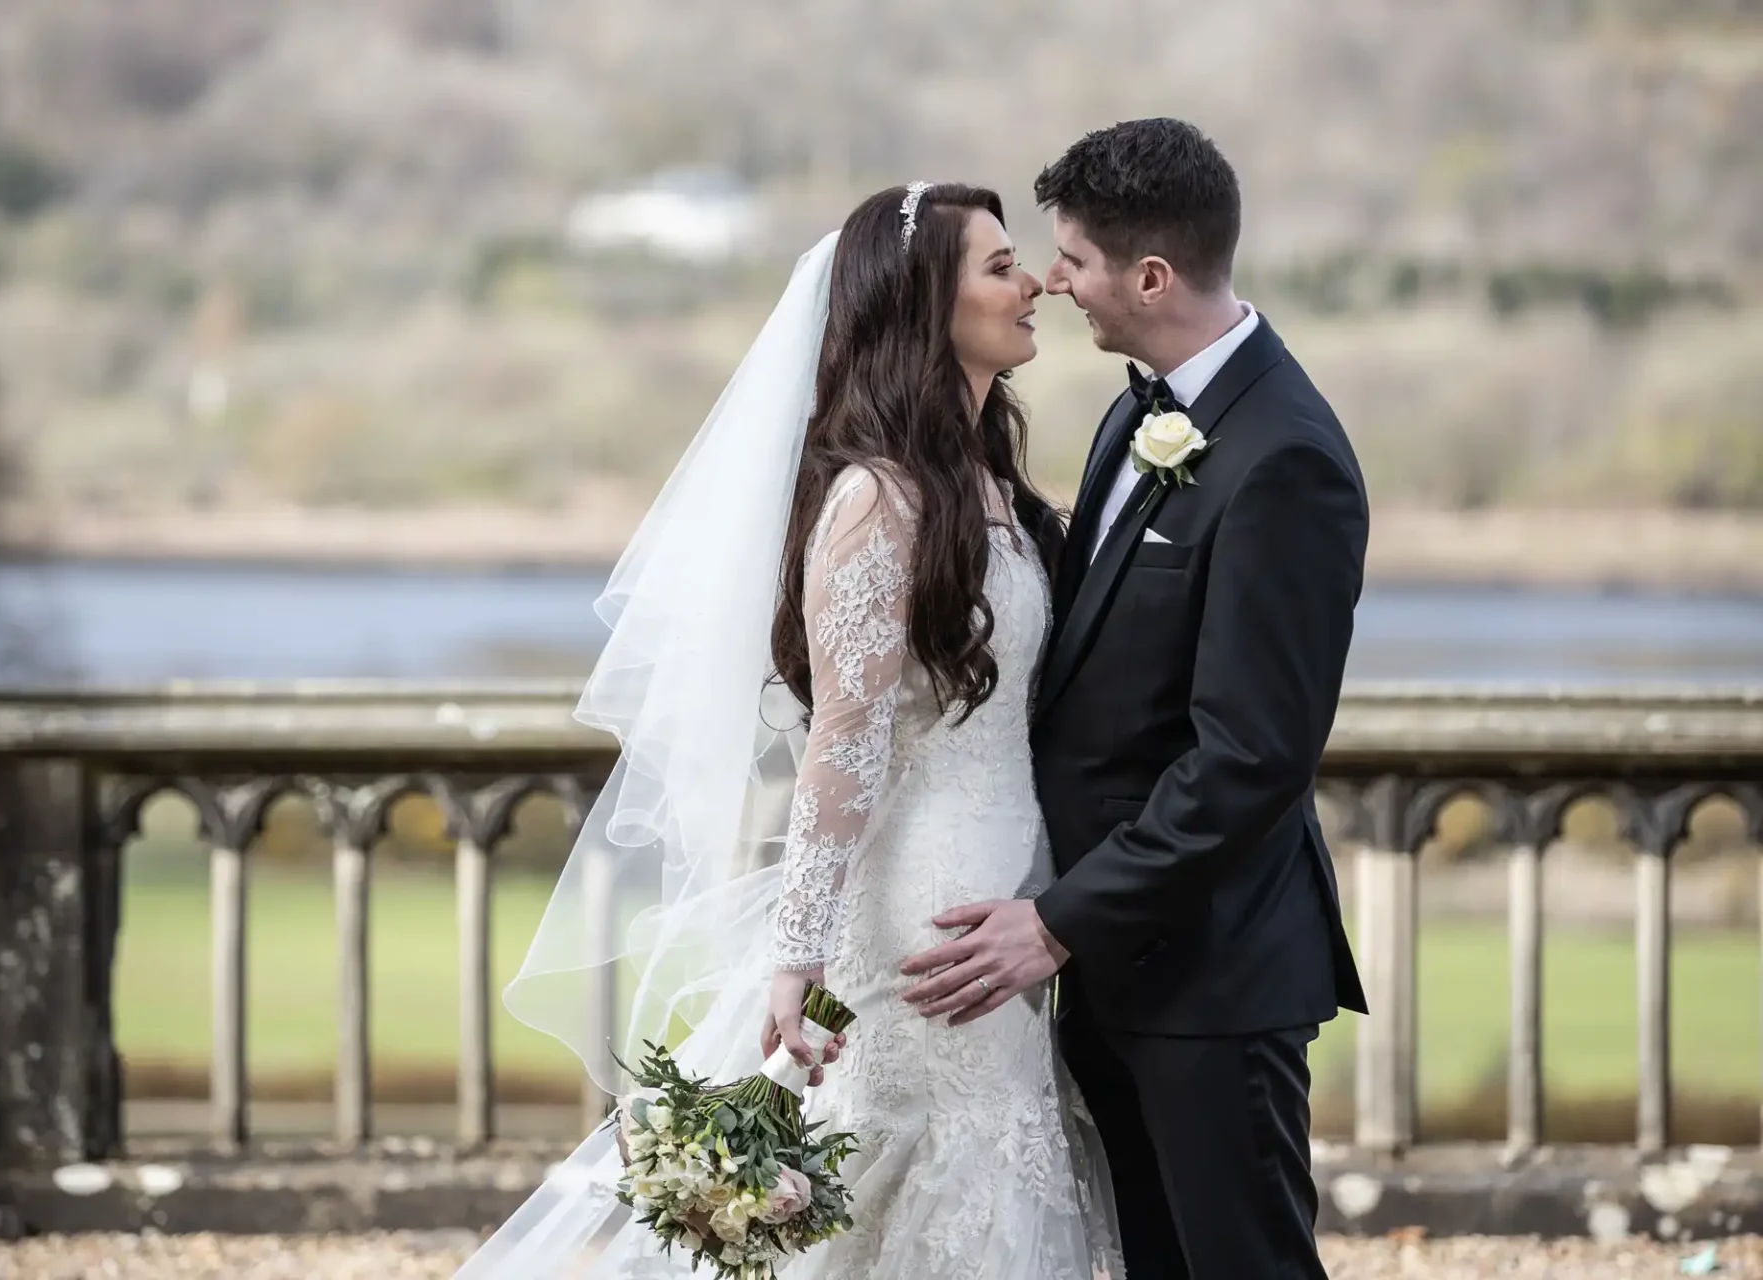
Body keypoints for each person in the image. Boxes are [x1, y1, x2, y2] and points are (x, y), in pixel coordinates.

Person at [455, 182, 1120, 1279]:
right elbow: (845, 738)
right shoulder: (877, 499)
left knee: (978, 1170)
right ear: (921, 300)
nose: (1037, 280)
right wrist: (798, 953)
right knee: (952, 1169)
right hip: (929, 897)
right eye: (1000, 265)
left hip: (1014, 872)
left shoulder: (988, 482)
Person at [901, 118, 1371, 1279]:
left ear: (1151, 276)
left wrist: (1058, 918)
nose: (1055, 281)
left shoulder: (1284, 458)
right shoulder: (1142, 408)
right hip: (1114, 965)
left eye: (1072, 258)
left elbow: (1250, 758)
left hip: (1210, 978)